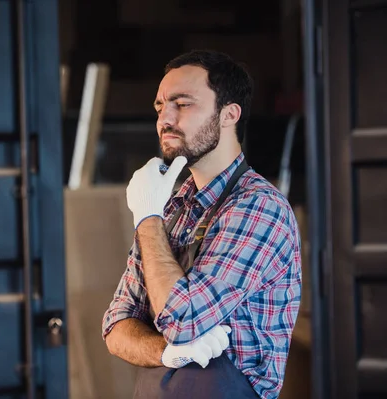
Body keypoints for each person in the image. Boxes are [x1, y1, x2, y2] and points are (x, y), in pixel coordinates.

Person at [101, 49, 302, 399]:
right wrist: (166, 352)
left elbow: (183, 320)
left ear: (229, 115)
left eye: (183, 103)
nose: (165, 118)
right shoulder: (171, 206)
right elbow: (116, 324)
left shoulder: (259, 208)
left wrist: (147, 217)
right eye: (160, 106)